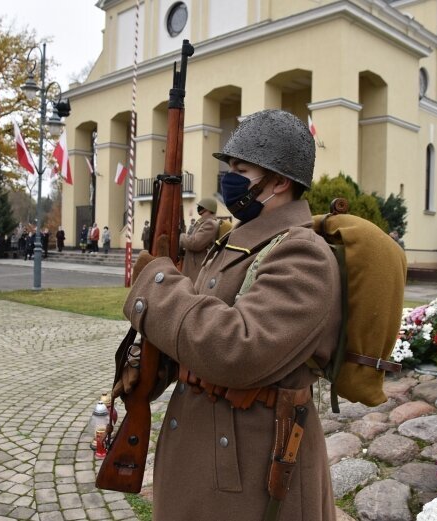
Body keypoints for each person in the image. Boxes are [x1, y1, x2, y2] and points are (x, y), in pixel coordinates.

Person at [117, 110, 341, 520]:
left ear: (279, 181)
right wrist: (152, 367)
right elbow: (197, 328)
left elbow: (238, 349)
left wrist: (156, 282)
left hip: (250, 472)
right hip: (204, 453)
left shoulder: (302, 252)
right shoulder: (236, 242)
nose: (229, 179)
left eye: (241, 168)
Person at [178, 197, 219, 281]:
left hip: (197, 268)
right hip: (194, 266)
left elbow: (195, 243)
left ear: (207, 208)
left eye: (201, 206)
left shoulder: (210, 223)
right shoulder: (203, 222)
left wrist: (180, 236)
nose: (199, 208)